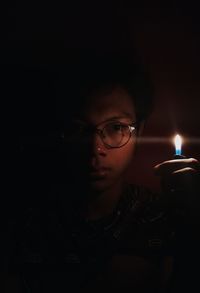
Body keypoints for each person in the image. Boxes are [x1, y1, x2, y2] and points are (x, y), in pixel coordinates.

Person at [5, 51, 200, 293]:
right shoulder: (22, 218)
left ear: (139, 130)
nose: (95, 149)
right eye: (78, 129)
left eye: (116, 127)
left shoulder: (160, 217)